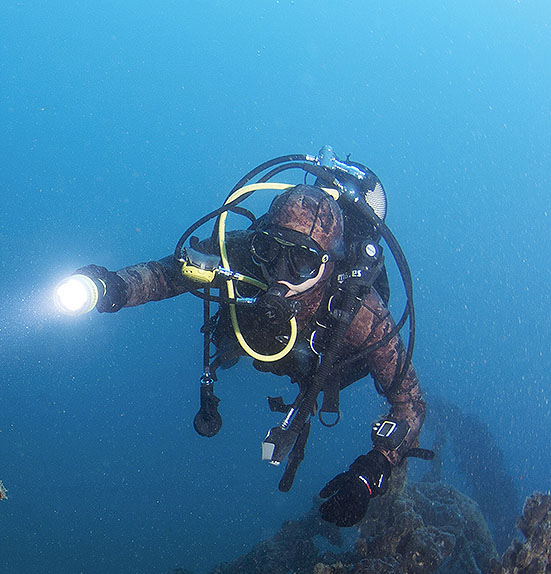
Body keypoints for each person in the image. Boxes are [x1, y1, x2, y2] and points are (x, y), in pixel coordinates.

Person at [65, 163, 426, 528]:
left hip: (323, 364)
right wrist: (113, 287)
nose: (280, 271)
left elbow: (409, 402)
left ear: (328, 264)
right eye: (271, 250)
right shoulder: (239, 253)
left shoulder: (360, 310)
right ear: (259, 241)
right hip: (255, 340)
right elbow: (167, 275)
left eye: (302, 260)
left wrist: (370, 472)